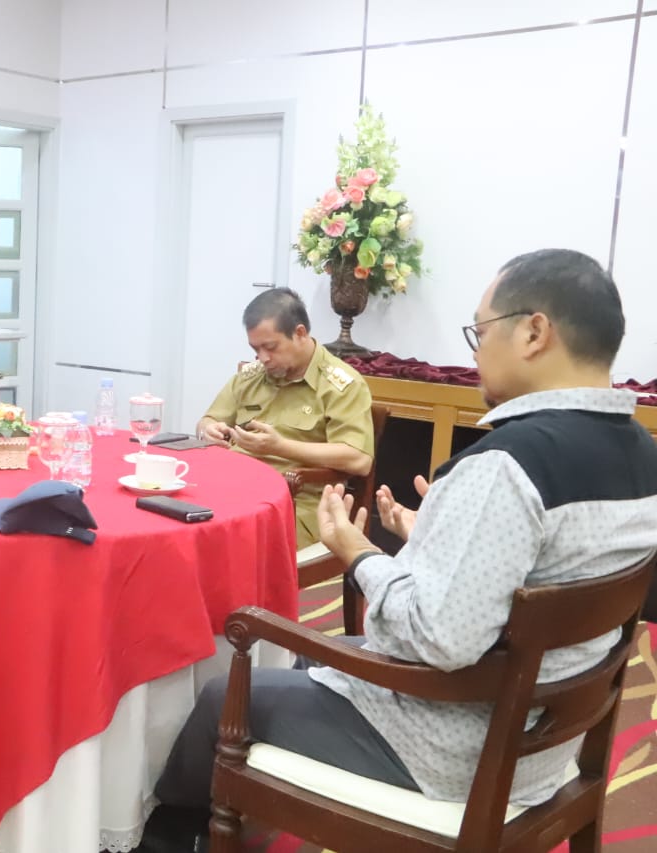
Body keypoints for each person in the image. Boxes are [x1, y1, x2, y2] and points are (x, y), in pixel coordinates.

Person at [149, 249, 657, 850]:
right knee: (317, 661)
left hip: (453, 746)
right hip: (547, 734)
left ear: (534, 332)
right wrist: (435, 541)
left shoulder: (506, 466)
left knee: (223, 693)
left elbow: (440, 641)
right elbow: (548, 572)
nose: (475, 350)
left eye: (481, 330)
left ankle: (167, 837)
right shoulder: (640, 454)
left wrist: (359, 552)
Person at [195, 287, 374, 547]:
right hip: (234, 493)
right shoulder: (251, 376)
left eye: (270, 347)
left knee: (227, 542)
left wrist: (280, 447)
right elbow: (208, 420)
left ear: (300, 333)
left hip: (296, 503)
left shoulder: (340, 384)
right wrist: (208, 430)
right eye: (256, 348)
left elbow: (359, 460)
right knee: (178, 522)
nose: (263, 358)